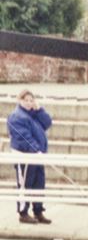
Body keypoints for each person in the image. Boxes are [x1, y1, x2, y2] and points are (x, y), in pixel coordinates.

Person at [7, 89, 53, 225]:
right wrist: (36, 150)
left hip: (37, 156)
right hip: (25, 156)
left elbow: (47, 123)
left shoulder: (33, 114)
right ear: (20, 101)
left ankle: (38, 211)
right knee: (25, 184)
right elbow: (23, 137)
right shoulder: (16, 116)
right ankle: (23, 212)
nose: (28, 103)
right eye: (25, 100)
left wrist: (39, 110)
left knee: (39, 183)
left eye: (31, 100)